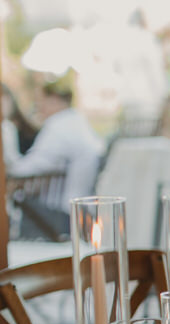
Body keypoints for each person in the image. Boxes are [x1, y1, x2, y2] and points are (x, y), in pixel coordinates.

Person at [7, 78, 103, 238]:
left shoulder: (58, 127)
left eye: (41, 101)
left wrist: (8, 166)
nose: (38, 107)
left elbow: (32, 168)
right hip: (80, 208)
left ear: (54, 100)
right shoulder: (78, 121)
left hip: (55, 213)